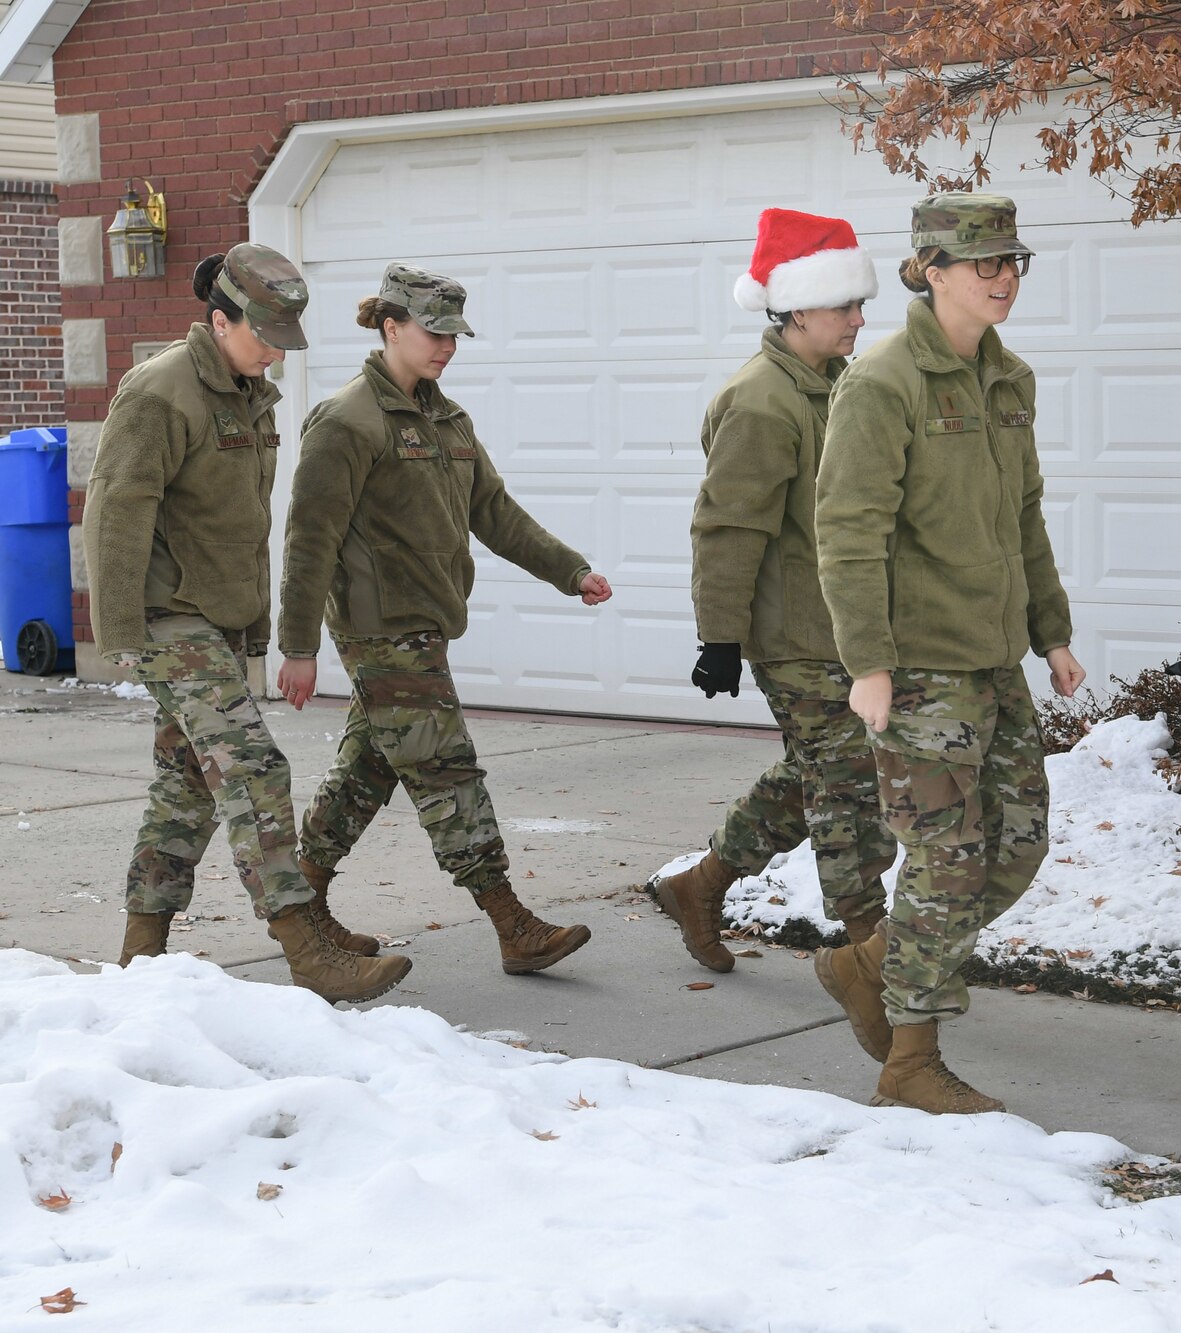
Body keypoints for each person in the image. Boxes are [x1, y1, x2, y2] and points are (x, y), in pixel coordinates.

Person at [813, 193, 1087, 1114]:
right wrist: (869, 663)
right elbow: (847, 530)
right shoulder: (883, 381)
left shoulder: (1010, 379)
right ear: (932, 271)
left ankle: (870, 965)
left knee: (1017, 843)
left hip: (992, 659)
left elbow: (1025, 516)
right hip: (918, 663)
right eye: (985, 264)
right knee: (946, 856)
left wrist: (1051, 631)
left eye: (1014, 262)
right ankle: (912, 1058)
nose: (1005, 279)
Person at [83, 244, 411, 1004]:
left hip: (218, 618)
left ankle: (141, 954)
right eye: (263, 335)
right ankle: (304, 948)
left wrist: (256, 631)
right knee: (255, 768)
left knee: (187, 785)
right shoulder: (162, 391)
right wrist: (122, 632)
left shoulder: (245, 389)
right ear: (219, 319)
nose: (274, 353)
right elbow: (116, 509)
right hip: (170, 618)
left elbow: (241, 523)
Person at [275, 263, 611, 977]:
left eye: (455, 334)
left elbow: (495, 512)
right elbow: (310, 542)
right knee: (444, 768)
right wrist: (298, 646)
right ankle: (509, 920)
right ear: (391, 326)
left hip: (425, 626)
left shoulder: (448, 419)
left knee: (371, 766)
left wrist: (570, 570)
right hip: (377, 626)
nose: (447, 347)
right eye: (434, 332)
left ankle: (301, 895)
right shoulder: (346, 423)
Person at [649, 209, 899, 983]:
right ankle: (876, 956)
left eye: (859, 304)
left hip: (845, 630)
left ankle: (701, 885)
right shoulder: (761, 401)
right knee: (851, 788)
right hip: (796, 635)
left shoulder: (834, 387)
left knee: (815, 775)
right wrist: (719, 638)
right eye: (845, 306)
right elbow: (726, 528)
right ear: (794, 309)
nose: (862, 318)